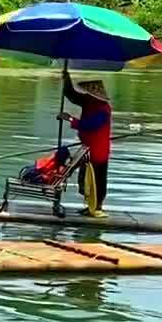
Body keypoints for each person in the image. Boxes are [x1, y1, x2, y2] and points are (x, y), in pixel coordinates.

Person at [58, 67, 113, 216]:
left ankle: (97, 206)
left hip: (98, 150)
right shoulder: (88, 102)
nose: (86, 95)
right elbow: (72, 95)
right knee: (85, 179)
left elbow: (90, 125)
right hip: (87, 148)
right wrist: (67, 79)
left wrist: (70, 118)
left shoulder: (103, 109)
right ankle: (90, 205)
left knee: (97, 180)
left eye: (88, 94)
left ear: (95, 96)